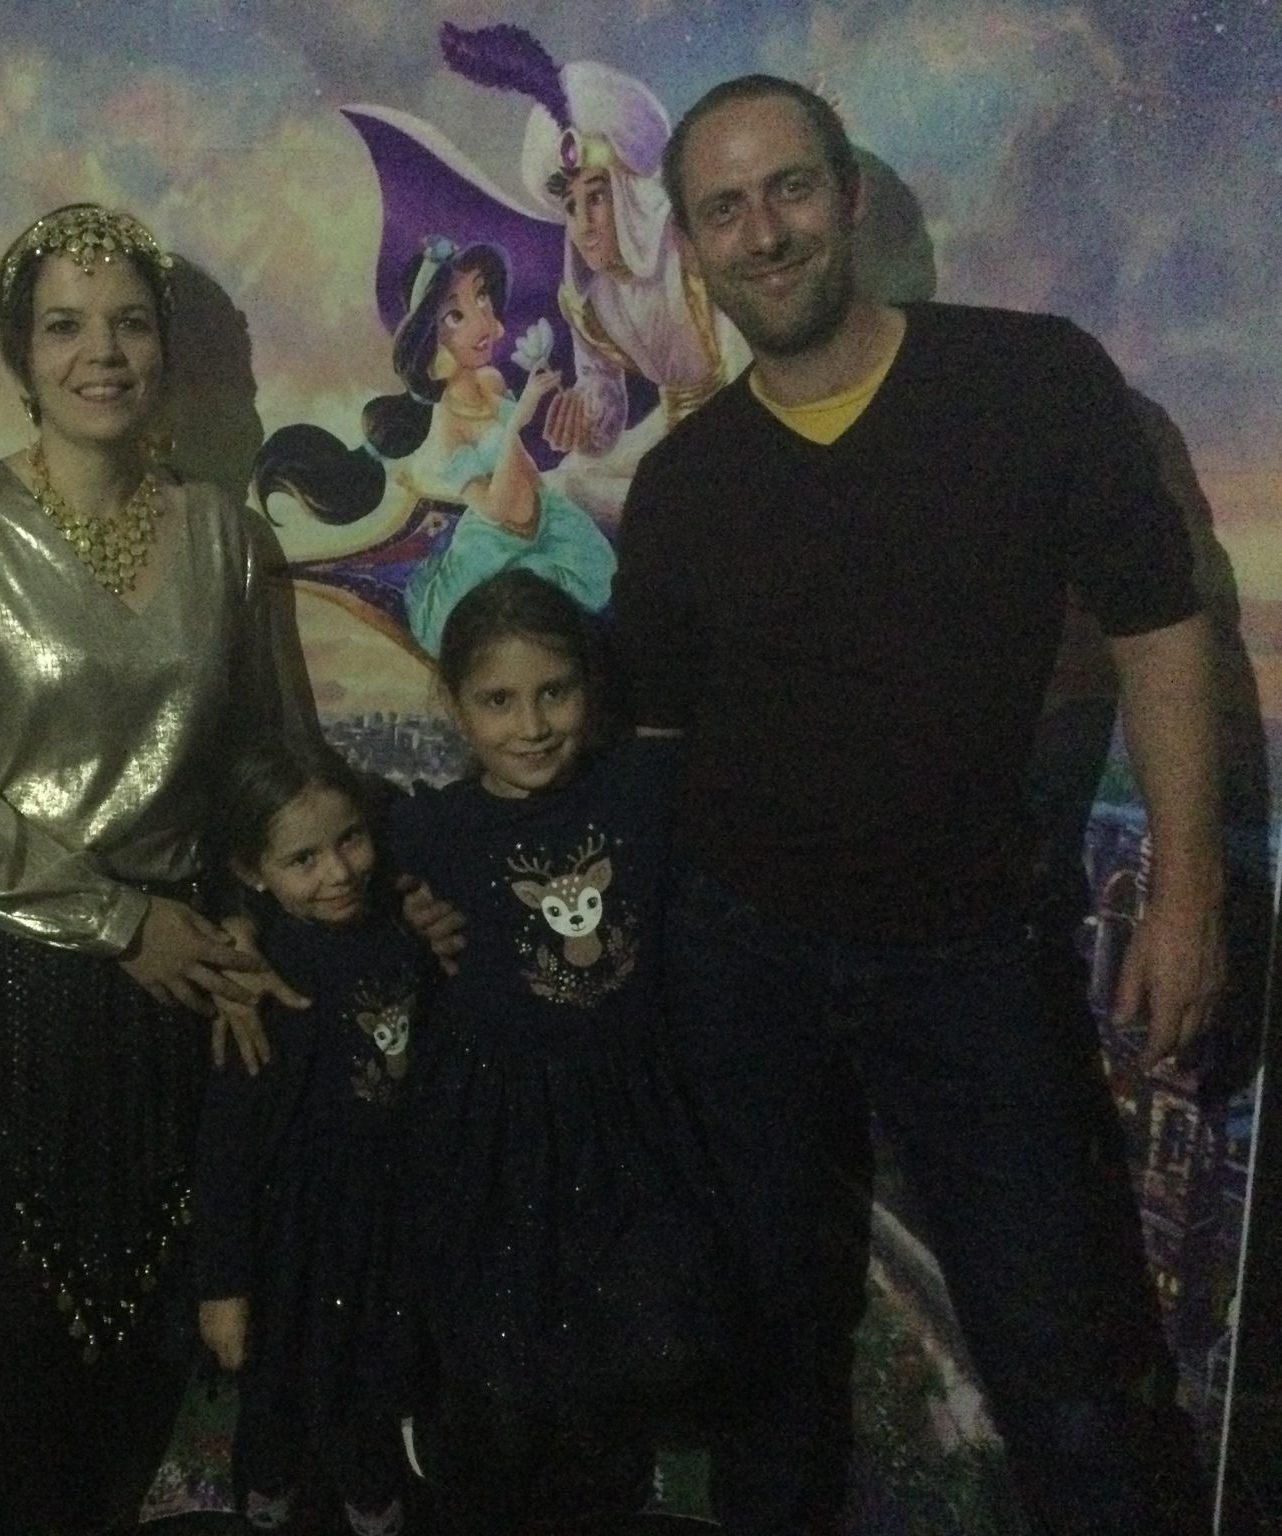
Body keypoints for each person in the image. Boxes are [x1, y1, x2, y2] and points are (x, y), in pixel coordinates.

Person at [612, 76, 1223, 1536]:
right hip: (739, 961)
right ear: (690, 247)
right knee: (771, 1360)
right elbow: (650, 742)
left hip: (969, 957)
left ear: (848, 198)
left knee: (1064, 1367)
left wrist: (1189, 896)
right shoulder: (684, 482)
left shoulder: (1031, 382)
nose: (765, 234)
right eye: (723, 210)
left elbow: (1159, 625)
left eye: (789, 189)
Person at [0, 202, 310, 1536]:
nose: (100, 353)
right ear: (22, 354)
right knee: (21, 1338)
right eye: (65, 325)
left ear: (165, 351)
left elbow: (269, 759)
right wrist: (118, 919)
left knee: (145, 1331)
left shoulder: (223, 537)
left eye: (128, 324)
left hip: (172, 987)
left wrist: (264, 918)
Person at [383, 570, 741, 1534]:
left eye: (555, 693)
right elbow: (318, 866)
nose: (532, 726)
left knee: (634, 1352)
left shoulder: (643, 790)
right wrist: (404, 921)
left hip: (626, 1124)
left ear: (590, 685)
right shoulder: (429, 831)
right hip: (490, 1133)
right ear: (454, 703)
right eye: (498, 700)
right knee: (503, 1363)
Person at [193, 740, 427, 1536]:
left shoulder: (401, 937)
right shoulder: (258, 978)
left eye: (349, 839)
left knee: (371, 1386)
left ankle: (373, 1504)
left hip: (386, 1224)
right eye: (303, 859)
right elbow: (226, 1147)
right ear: (254, 872)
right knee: (277, 1393)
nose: (338, 872)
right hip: (292, 1236)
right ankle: (268, 1501)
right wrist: (223, 1286)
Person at [438, 21, 750, 535]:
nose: (583, 224)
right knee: (566, 485)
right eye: (571, 206)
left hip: (742, 431)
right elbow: (605, 405)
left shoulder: (689, 252)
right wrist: (585, 423)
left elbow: (751, 371)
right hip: (672, 430)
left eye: (597, 197)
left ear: (628, 191)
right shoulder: (589, 300)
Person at [253, 237, 616, 656]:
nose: (481, 319)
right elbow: (495, 508)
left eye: (482, 297)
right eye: (456, 315)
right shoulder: (448, 428)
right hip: (495, 550)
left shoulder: (492, 382)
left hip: (546, 522)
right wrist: (515, 425)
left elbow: (526, 471)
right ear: (433, 341)